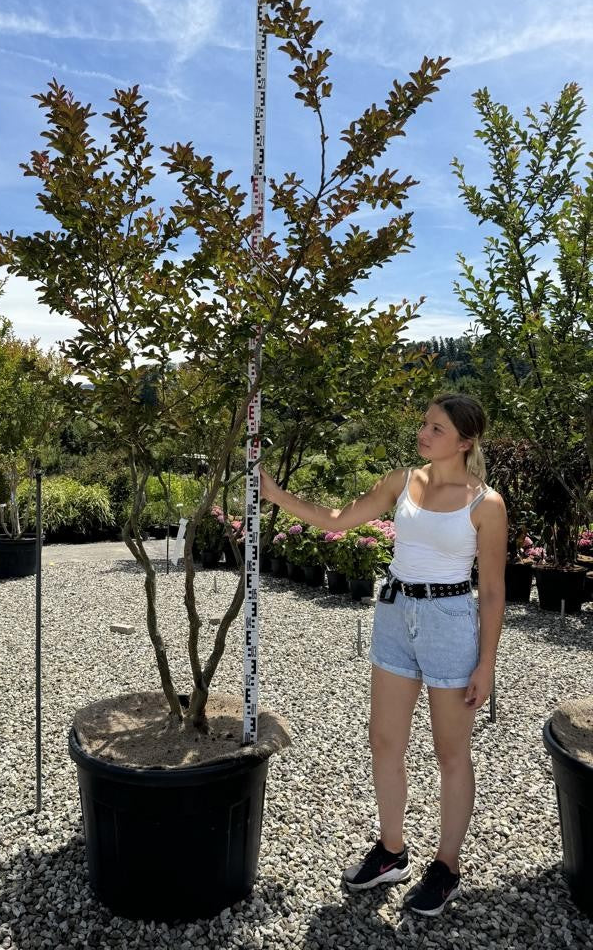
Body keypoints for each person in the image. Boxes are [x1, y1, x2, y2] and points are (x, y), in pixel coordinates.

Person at [259, 393, 507, 917]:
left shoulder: (485, 504)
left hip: (449, 624)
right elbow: (339, 520)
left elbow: (491, 591)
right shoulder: (403, 482)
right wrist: (277, 496)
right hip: (394, 616)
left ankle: (447, 866)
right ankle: (392, 852)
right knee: (384, 741)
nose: (424, 433)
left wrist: (486, 663)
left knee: (450, 753)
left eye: (436, 428)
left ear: (464, 441)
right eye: (424, 424)